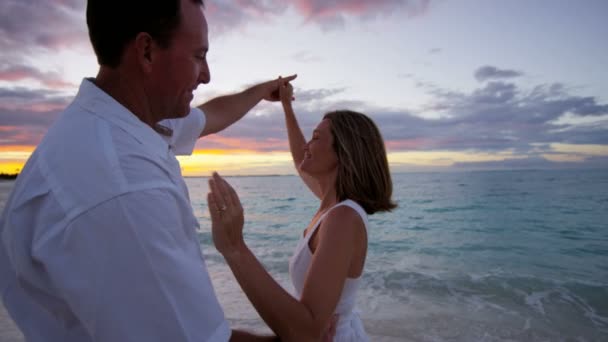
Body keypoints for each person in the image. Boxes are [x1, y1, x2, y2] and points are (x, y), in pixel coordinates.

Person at [0, 0, 295, 340]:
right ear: (146, 52)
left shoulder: (125, 122)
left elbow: (212, 115)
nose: (207, 74)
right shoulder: (122, 188)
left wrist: (263, 90)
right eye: (199, 56)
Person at [207, 80, 396, 341]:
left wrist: (234, 245)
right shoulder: (332, 206)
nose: (308, 144)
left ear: (343, 152)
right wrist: (286, 106)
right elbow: (300, 158)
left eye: (316, 138)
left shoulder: (343, 218)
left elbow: (306, 332)